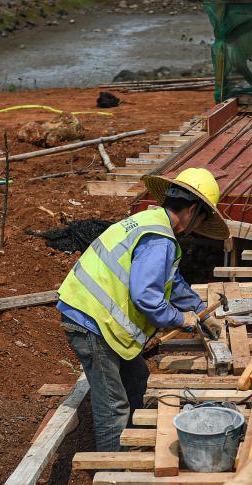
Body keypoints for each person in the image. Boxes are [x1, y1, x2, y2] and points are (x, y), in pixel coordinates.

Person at [56, 168, 228, 451]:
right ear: (192, 210)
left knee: (135, 376)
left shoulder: (150, 223)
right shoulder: (160, 240)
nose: (197, 227)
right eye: (201, 220)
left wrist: (199, 309)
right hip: (92, 321)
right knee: (113, 406)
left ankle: (131, 439)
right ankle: (112, 473)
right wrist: (180, 319)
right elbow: (147, 297)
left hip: (93, 315)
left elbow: (171, 281)